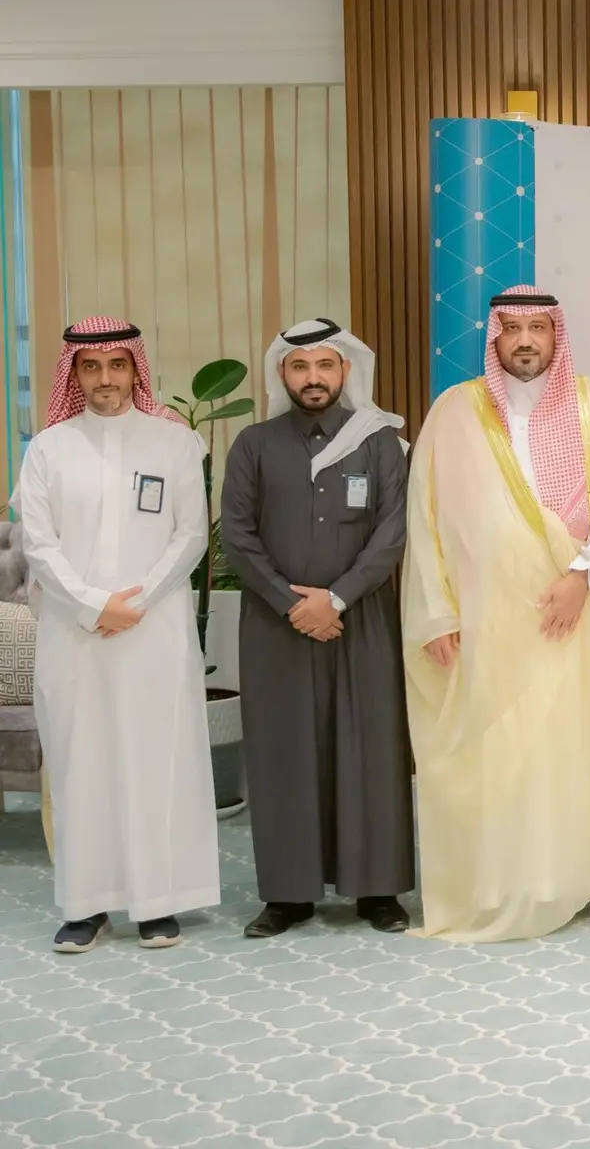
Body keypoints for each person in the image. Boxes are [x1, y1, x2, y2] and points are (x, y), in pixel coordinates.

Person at [401, 285, 590, 942]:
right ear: (495, 338)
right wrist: (436, 613)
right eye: (514, 329)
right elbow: (424, 519)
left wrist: (581, 575)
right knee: (499, 748)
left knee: (579, 742)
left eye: (539, 328)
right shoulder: (454, 412)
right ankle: (500, 878)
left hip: (573, 612)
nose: (527, 340)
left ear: (557, 337)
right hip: (487, 620)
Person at [16, 318, 219, 952]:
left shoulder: (174, 443)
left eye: (117, 366)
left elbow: (191, 535)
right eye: (91, 367)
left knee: (156, 758)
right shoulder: (47, 448)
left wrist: (137, 602)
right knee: (83, 762)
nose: (106, 379)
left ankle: (157, 902)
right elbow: (37, 543)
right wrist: (93, 604)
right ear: (74, 375)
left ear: (136, 370)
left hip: (154, 632)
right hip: (73, 636)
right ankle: (86, 904)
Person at [221, 318, 413, 938]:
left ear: (345, 371)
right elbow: (238, 537)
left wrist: (336, 598)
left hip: (362, 621)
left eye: (325, 366)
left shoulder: (380, 442)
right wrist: (292, 603)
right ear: (283, 374)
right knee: (283, 752)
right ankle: (288, 895)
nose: (313, 378)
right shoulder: (253, 443)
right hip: (276, 626)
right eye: (300, 367)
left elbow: (393, 532)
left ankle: (377, 889)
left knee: (370, 749)